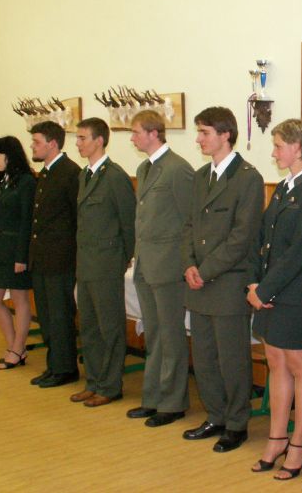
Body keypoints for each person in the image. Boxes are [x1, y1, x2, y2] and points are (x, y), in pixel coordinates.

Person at [247, 119, 302, 480]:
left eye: (279, 145)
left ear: (297, 148)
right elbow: (263, 240)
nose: (274, 152)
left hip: (293, 293)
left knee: (299, 365)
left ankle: (298, 444)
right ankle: (277, 438)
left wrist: (265, 290)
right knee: (275, 362)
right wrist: (255, 284)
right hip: (269, 290)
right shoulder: (284, 187)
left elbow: (301, 251)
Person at [181, 107, 264, 452]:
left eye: (204, 132)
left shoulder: (247, 178)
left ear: (225, 134)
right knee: (204, 358)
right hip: (199, 282)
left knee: (232, 360)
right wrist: (188, 264)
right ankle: (215, 415)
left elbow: (242, 238)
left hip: (228, 282)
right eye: (199, 132)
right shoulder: (201, 176)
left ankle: (236, 423)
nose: (199, 139)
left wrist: (205, 270)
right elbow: (189, 226)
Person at [127, 110, 194, 427]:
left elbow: (189, 220)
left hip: (168, 266)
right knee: (153, 333)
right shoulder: (145, 168)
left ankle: (172, 402)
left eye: (136, 132)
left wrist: (186, 262)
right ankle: (152, 397)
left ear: (154, 133)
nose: (132, 138)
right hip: (145, 263)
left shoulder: (177, 169)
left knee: (170, 335)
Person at [69, 118, 136, 407]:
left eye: (82, 138)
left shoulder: (115, 176)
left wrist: (122, 260)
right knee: (89, 327)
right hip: (86, 263)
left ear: (99, 140)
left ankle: (110, 385)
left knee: (110, 328)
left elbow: (129, 224)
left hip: (107, 263)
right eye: (77, 138)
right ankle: (94, 381)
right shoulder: (85, 175)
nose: (78, 143)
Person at [28, 121, 81, 388]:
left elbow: (77, 219)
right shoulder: (47, 173)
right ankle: (54, 365)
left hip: (61, 259)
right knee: (47, 317)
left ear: (52, 144)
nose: (32, 147)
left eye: (37, 142)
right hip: (42, 257)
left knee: (60, 316)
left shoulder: (70, 173)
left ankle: (65, 368)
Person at [0, 136, 36, 370]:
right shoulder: (1, 179)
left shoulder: (26, 181)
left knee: (20, 299)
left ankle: (16, 349)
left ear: (10, 155)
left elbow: (27, 221)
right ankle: (15, 346)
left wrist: (21, 257)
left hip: (16, 251)